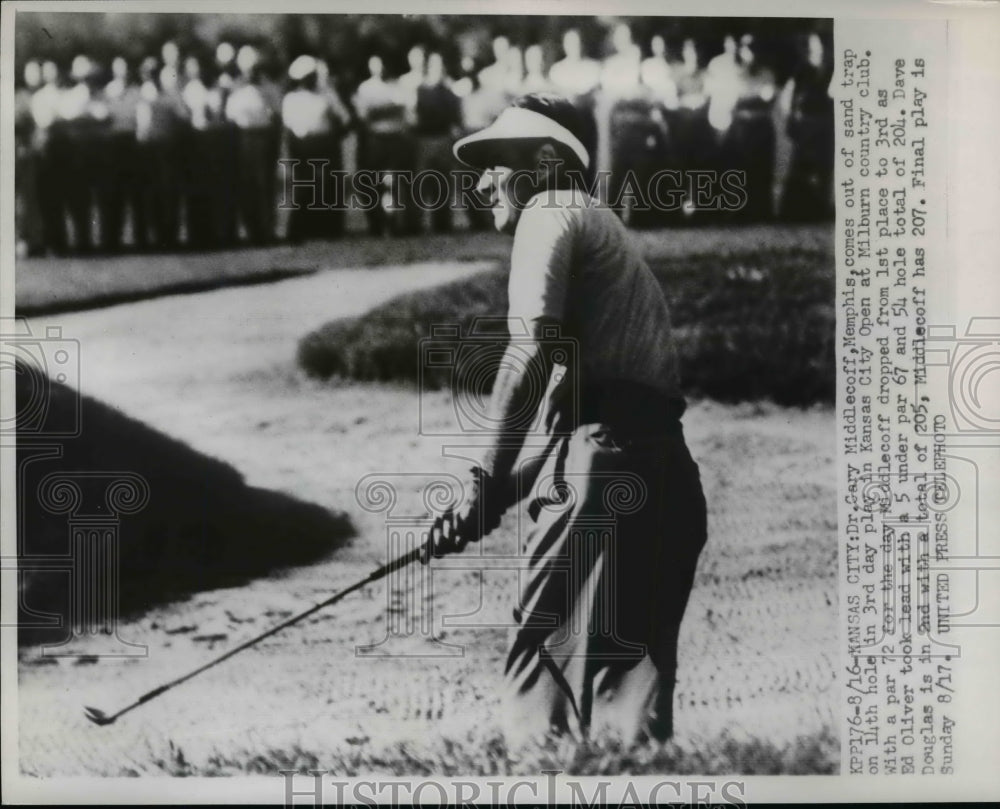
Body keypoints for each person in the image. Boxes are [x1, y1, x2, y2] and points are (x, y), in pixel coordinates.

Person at [425, 92, 708, 745]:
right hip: (659, 466)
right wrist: (493, 494)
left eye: (498, 160)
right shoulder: (598, 226)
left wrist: (478, 476)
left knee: (541, 672)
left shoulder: (548, 210)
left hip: (604, 466)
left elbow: (527, 353)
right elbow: (579, 422)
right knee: (626, 700)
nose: (482, 177)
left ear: (549, 159)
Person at [282, 55, 350, 241]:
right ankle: (298, 232)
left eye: (312, 76)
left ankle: (331, 230)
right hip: (303, 146)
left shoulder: (327, 95)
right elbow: (289, 127)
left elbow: (345, 120)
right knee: (304, 188)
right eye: (305, 78)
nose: (309, 81)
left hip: (326, 144)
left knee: (330, 186)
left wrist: (334, 136)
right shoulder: (291, 98)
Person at [414, 51, 462, 233]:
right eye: (434, 65)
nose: (438, 69)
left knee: (442, 185)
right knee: (421, 184)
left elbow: (456, 119)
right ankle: (416, 226)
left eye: (440, 65)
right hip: (424, 140)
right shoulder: (419, 90)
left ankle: (442, 225)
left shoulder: (449, 92)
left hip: (443, 140)